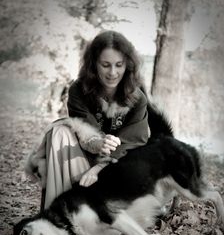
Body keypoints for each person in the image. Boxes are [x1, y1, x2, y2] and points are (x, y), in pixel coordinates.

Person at [26, 30, 150, 210]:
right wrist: (100, 143)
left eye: (119, 65)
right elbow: (85, 129)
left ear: (127, 65)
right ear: (94, 64)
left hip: (119, 168)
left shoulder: (138, 98)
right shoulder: (78, 90)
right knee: (59, 131)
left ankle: (105, 218)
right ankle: (54, 215)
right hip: (82, 159)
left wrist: (99, 168)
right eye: (105, 65)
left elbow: (135, 142)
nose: (113, 72)